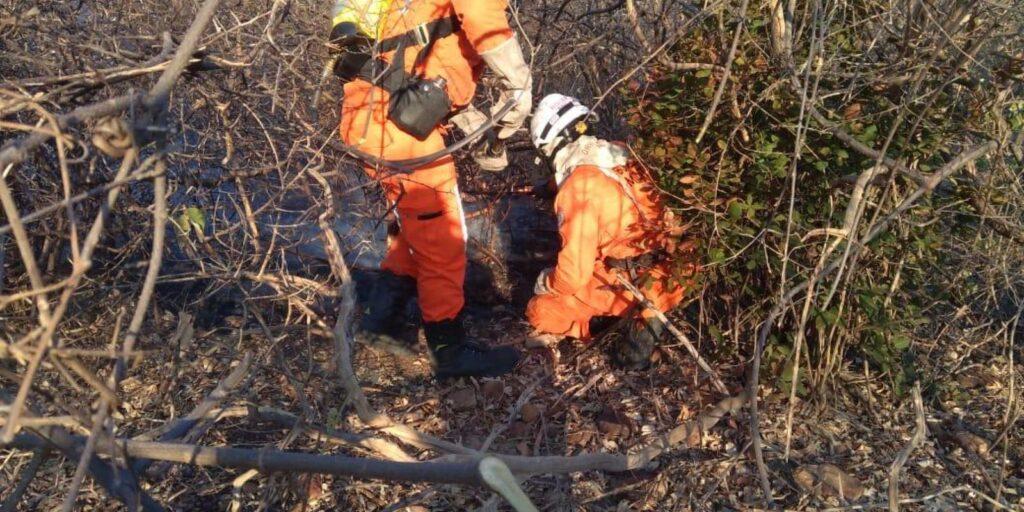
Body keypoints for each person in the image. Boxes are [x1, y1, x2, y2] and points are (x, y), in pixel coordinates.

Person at [330, 0, 530, 378]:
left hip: (374, 117)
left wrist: (477, 126)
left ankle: (381, 322)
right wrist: (520, 84)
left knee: (416, 226)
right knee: (444, 237)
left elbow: (427, 62)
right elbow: (483, 20)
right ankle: (448, 350)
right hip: (397, 127)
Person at [525, 94, 697, 369]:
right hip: (674, 268)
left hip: (625, 281)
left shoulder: (577, 189)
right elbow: (604, 181)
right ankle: (655, 310)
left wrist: (547, 282)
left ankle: (606, 323)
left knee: (541, 309)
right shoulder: (624, 153)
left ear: (552, 145)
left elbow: (572, 276)